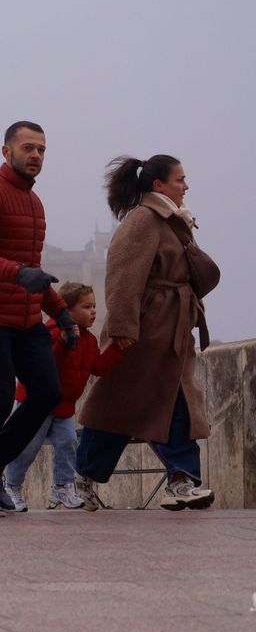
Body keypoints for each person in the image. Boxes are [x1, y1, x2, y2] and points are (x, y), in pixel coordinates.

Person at [76, 155, 221, 511]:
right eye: (180, 180)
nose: (185, 186)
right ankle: (81, 478)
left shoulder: (173, 221)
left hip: (172, 331)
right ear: (158, 185)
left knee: (178, 403)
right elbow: (122, 278)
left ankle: (181, 480)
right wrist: (124, 328)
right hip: (144, 333)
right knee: (118, 408)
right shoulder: (143, 220)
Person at [0, 122, 73, 518]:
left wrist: (60, 312)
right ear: (6, 152)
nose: (35, 155)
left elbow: (33, 268)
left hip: (24, 318)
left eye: (41, 149)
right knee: (0, 398)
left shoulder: (34, 204)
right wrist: (17, 274)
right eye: (27, 148)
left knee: (47, 392)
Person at [3, 283, 123, 511]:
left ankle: (63, 487)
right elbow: (47, 365)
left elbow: (97, 367)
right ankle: (11, 486)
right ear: (67, 311)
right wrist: (65, 342)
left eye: (94, 306)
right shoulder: (51, 334)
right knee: (27, 446)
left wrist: (118, 349)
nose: (94, 311)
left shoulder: (89, 341)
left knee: (68, 443)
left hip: (64, 406)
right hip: (36, 404)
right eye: (87, 306)